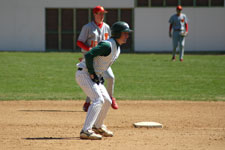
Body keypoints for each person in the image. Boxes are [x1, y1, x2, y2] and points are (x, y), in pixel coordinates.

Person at [75, 21, 133, 140]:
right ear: (117, 34)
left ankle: (98, 126)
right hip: (84, 73)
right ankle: (86, 131)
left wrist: (97, 75)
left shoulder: (117, 47)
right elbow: (89, 54)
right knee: (98, 99)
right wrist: (91, 72)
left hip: (94, 75)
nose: (127, 36)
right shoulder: (107, 45)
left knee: (107, 100)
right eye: (125, 33)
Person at [77, 6, 118, 112]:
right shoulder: (87, 27)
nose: (102, 15)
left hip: (102, 60)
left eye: (103, 13)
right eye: (99, 13)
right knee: (93, 80)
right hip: (90, 59)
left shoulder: (107, 27)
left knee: (110, 77)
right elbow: (79, 42)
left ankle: (111, 98)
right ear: (94, 14)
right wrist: (88, 49)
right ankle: (87, 102)